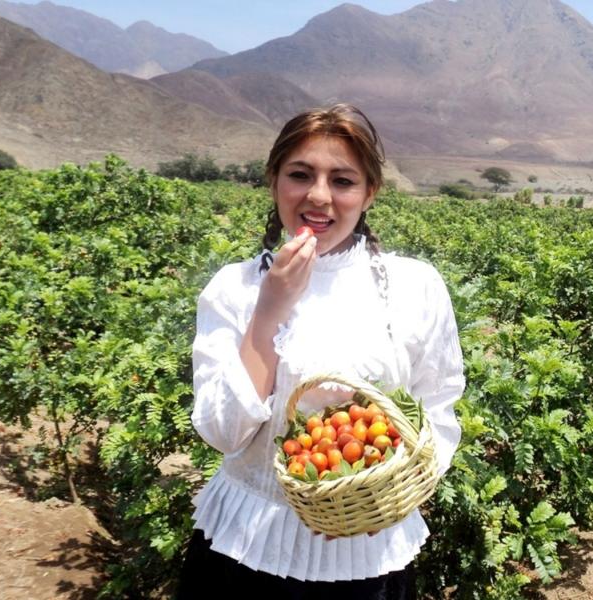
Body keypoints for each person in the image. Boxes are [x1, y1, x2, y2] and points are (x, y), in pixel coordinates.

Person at [176, 104, 465, 599]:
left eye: (343, 181)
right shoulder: (235, 289)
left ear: (370, 192)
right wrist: (268, 311)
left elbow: (437, 406)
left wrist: (390, 499)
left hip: (370, 551)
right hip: (248, 548)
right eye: (300, 175)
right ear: (273, 181)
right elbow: (224, 434)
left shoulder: (415, 286)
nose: (318, 196)